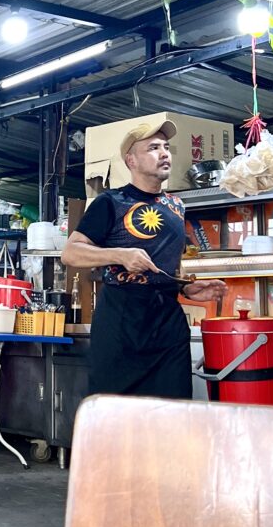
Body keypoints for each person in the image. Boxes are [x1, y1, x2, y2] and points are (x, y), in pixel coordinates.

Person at [61, 115, 227, 398]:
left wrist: (186, 287)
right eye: (152, 148)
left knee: (172, 411)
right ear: (131, 161)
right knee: (115, 412)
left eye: (165, 147)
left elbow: (167, 266)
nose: (163, 153)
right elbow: (71, 252)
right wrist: (120, 255)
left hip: (167, 325)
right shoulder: (111, 202)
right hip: (121, 320)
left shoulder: (177, 206)